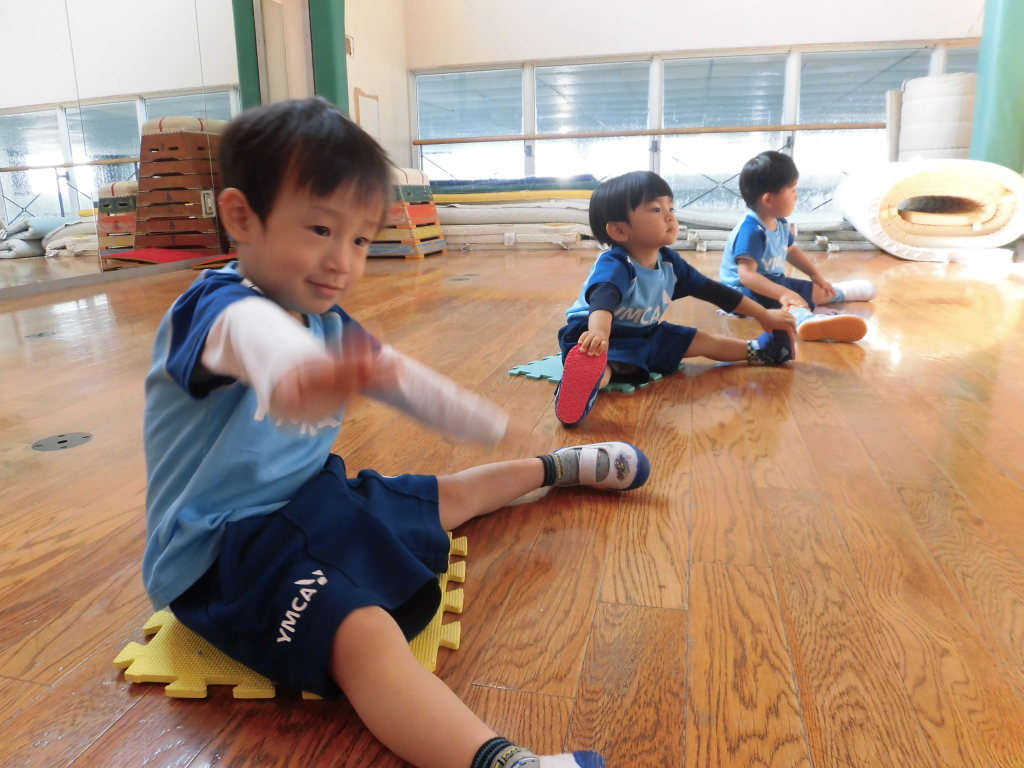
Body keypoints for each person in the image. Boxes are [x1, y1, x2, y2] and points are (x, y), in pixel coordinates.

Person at [143, 97, 648, 768]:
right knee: (363, 635)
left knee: (443, 496)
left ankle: (558, 466)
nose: (342, 261)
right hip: (223, 557)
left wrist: (479, 419)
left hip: (310, 499)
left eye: (359, 239)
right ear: (242, 217)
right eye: (320, 229)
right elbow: (257, 343)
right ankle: (501, 762)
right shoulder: (216, 310)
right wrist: (300, 375)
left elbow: (398, 377)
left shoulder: (326, 320)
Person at [555, 170, 797, 427]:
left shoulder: (670, 262)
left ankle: (760, 351)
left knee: (700, 340)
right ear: (619, 230)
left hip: (644, 333)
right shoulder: (617, 263)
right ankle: (584, 385)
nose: (670, 216)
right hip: (593, 335)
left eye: (670, 207)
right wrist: (599, 334)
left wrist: (763, 314)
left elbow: (715, 291)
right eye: (656, 209)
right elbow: (603, 298)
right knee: (606, 364)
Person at [720, 150, 876, 343]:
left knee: (807, 291)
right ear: (768, 199)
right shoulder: (751, 231)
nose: (796, 196)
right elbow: (747, 276)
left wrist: (815, 275)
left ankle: (839, 293)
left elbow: (791, 250)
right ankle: (807, 322)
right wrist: (784, 293)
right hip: (743, 292)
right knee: (789, 300)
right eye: (792, 190)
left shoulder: (780, 222)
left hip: (772, 281)